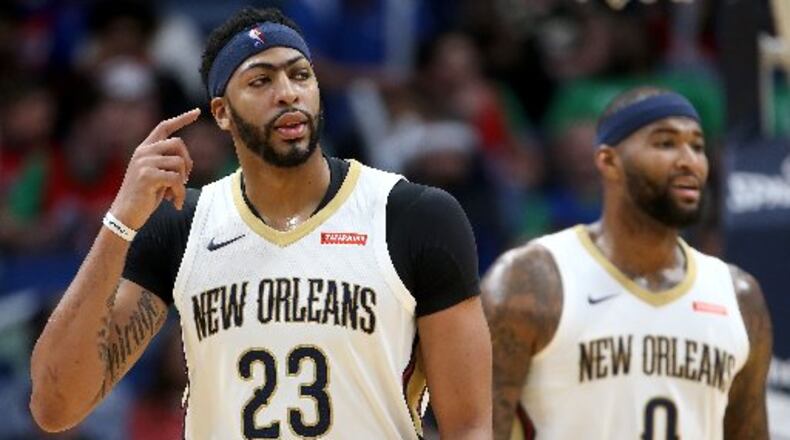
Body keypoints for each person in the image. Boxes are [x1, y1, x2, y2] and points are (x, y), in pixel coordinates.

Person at [29, 7, 492, 439]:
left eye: (300, 74)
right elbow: (56, 406)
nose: (287, 92)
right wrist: (120, 222)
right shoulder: (182, 226)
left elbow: (469, 425)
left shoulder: (411, 216)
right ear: (221, 113)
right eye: (260, 81)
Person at [483, 87, 772, 440]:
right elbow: (475, 430)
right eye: (665, 144)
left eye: (697, 146)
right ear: (608, 161)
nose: (688, 161)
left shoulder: (739, 297)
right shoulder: (532, 281)